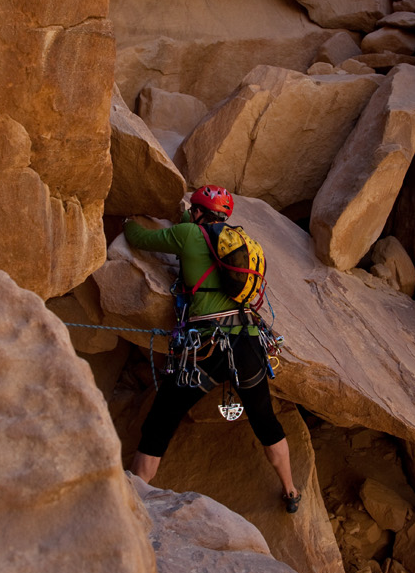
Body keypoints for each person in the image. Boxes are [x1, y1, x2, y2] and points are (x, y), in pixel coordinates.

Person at [123, 185, 301, 513]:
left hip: (204, 349)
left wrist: (126, 221)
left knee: (161, 422)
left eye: (193, 210)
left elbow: (141, 239)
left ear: (199, 213)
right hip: (248, 342)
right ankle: (290, 491)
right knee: (265, 420)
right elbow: (192, 226)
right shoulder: (235, 241)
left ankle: (133, 501)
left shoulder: (189, 234)